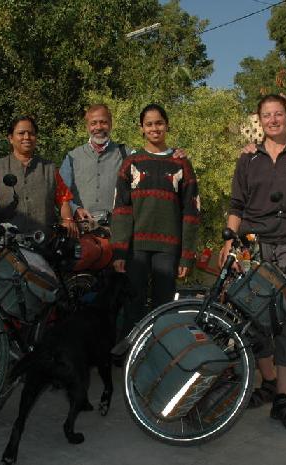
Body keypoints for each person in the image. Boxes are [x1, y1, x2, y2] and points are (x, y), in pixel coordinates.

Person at [220, 94, 286, 432]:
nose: (273, 120)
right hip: (254, 248)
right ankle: (268, 381)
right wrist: (228, 243)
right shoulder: (248, 158)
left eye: (278, 114)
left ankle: (282, 400)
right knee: (256, 322)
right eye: (267, 115)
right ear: (260, 120)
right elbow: (237, 204)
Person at [110, 103, 200, 339]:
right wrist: (119, 251)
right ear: (141, 128)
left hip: (168, 250)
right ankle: (129, 351)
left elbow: (191, 211)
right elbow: (121, 208)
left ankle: (160, 354)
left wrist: (187, 255)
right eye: (149, 124)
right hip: (136, 248)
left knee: (164, 306)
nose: (154, 128)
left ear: (167, 125)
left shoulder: (181, 163)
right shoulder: (132, 163)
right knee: (133, 303)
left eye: (159, 123)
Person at [0, 116, 77, 263]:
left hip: (44, 248)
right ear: (10, 138)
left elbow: (64, 199)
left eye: (32, 133)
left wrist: (67, 220)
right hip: (7, 251)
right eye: (21, 133)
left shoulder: (49, 169)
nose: (27, 137)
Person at [60, 104, 187, 224]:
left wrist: (172, 154)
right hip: (82, 230)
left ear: (111, 124)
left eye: (103, 122)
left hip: (118, 230)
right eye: (93, 123)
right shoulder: (72, 157)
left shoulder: (127, 154)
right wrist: (75, 209)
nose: (98, 127)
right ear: (87, 126)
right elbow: (60, 193)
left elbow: (153, 167)